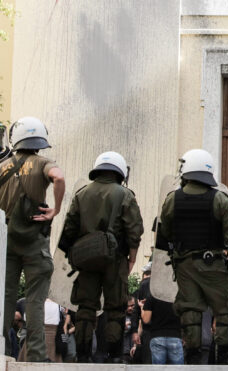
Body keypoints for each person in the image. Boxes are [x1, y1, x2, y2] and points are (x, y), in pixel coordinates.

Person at [155, 149, 228, 364]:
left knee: (190, 310)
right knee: (225, 308)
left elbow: (164, 233)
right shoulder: (220, 200)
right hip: (212, 262)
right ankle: (224, 357)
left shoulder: (171, 200)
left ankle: (192, 358)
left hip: (184, 264)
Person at [57, 151, 144, 363]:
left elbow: (68, 229)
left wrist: (72, 256)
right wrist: (132, 258)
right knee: (115, 308)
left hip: (86, 260)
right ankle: (114, 355)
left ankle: (83, 355)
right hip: (115, 259)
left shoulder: (81, 194)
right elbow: (135, 231)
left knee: (85, 308)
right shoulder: (125, 195)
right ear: (120, 171)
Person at [0, 117, 65, 363]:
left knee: (5, 296)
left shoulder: (3, 166)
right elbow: (58, 178)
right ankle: (37, 355)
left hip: (6, 239)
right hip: (35, 240)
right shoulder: (43, 162)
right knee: (36, 299)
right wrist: (55, 210)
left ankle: (1, 349)